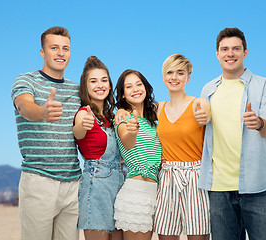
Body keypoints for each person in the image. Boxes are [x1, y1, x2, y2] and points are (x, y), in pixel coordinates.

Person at [198, 27, 266, 240]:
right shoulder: (208, 90)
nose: (230, 54)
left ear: (245, 52)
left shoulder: (265, 86)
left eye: (236, 48)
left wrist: (260, 122)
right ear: (217, 54)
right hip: (219, 189)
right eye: (224, 49)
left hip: (258, 186)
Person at [11, 26, 81, 240]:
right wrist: (42, 112)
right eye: (54, 48)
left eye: (65, 48)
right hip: (39, 181)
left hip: (73, 184)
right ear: (42, 52)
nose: (60, 53)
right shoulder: (26, 81)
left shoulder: (77, 91)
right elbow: (24, 107)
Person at [153, 54, 211, 240]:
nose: (174, 77)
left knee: (198, 236)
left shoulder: (199, 104)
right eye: (169, 72)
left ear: (188, 77)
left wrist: (206, 118)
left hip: (196, 177)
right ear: (163, 77)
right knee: (166, 235)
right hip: (167, 176)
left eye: (180, 72)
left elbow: (208, 120)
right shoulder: (157, 109)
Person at [73, 56, 124, 240]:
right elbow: (78, 132)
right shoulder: (83, 113)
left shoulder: (112, 117)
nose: (99, 85)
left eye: (104, 80)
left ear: (110, 85)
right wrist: (81, 126)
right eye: (93, 81)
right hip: (96, 186)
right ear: (85, 86)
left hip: (119, 185)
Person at [113, 69, 162, 240]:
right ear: (123, 95)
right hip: (135, 195)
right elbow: (126, 141)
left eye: (139, 84)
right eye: (129, 87)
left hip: (156, 195)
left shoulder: (154, 120)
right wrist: (132, 132)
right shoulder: (123, 119)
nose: (135, 89)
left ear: (146, 87)